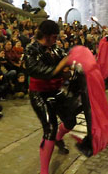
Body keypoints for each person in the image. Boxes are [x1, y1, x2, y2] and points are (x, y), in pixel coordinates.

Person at [24, 20, 75, 174]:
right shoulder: (31, 49)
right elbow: (37, 71)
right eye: (54, 37)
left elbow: (67, 66)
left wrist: (71, 68)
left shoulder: (56, 49)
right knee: (50, 128)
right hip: (39, 94)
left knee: (71, 120)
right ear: (46, 36)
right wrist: (61, 67)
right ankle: (44, 171)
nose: (56, 39)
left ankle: (59, 138)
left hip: (56, 91)